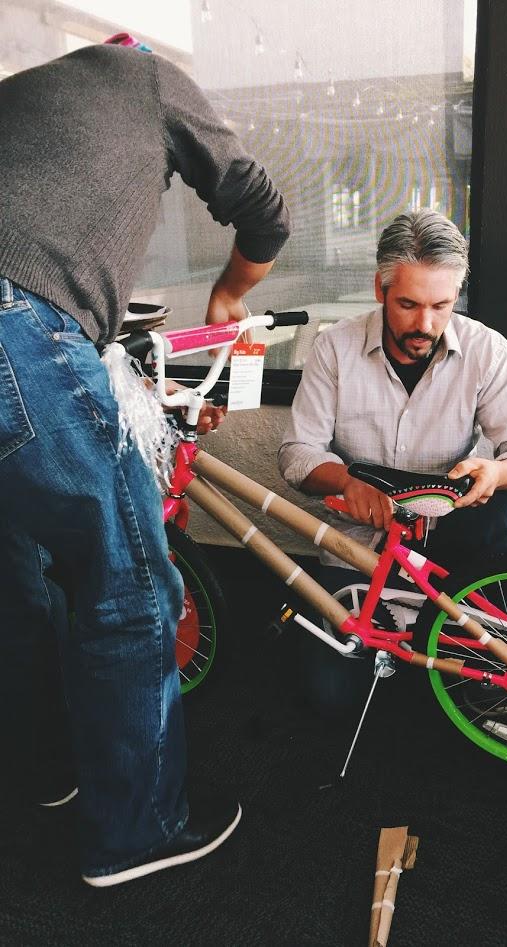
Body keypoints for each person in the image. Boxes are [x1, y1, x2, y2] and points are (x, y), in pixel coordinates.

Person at [0, 36, 290, 886]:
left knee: (15, 576)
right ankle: (139, 832)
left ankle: (41, 770)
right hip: (16, 325)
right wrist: (230, 299)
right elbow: (264, 208)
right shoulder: (145, 73)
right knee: (127, 583)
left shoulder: (22, 99)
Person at [278, 209, 507, 710]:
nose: (424, 324)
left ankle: (485, 653)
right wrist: (346, 481)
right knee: (329, 698)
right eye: (407, 304)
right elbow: (297, 455)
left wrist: (495, 471)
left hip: (448, 540)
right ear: (379, 289)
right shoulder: (334, 348)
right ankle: (422, 639)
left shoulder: (486, 350)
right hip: (361, 544)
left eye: (441, 306)